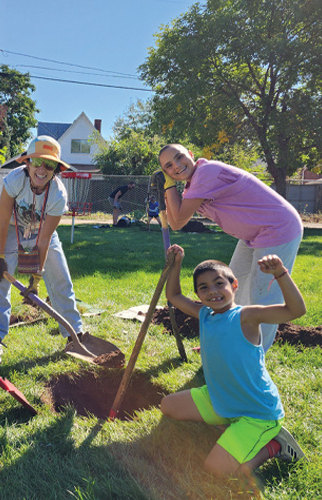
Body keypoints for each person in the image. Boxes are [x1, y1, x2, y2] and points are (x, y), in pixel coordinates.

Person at [162, 244, 306, 478]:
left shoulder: (247, 316)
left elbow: (296, 310)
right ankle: (230, 425)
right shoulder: (204, 314)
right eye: (204, 287)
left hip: (256, 411)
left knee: (217, 470)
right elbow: (174, 296)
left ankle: (274, 446)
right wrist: (176, 264)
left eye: (219, 283)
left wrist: (280, 273)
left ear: (234, 285)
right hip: (221, 398)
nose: (213, 291)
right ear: (198, 295)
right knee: (168, 406)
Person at [158, 144, 303, 352]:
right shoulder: (192, 186)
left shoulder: (206, 172)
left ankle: (252, 357)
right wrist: (169, 187)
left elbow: (179, 219)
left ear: (191, 154)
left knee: (263, 296)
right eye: (169, 166)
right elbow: (174, 223)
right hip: (253, 234)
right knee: (234, 288)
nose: (177, 166)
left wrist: (169, 186)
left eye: (179, 157)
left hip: (277, 228)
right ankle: (226, 344)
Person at [0, 135, 85, 365]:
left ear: (56, 169)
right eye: (37, 161)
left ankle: (74, 335)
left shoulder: (58, 195)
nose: (42, 169)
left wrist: (37, 276)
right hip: (11, 228)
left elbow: (45, 238)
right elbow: (2, 221)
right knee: (0, 281)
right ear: (27, 163)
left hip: (41, 231)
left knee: (61, 279)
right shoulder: (14, 180)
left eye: (49, 164)